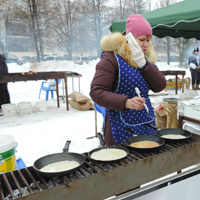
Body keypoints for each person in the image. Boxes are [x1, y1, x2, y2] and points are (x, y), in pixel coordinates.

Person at [90, 14, 166, 146]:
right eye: (142, 40)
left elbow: (160, 85)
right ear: (129, 38)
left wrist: (143, 64)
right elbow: (96, 92)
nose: (146, 44)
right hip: (120, 125)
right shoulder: (112, 58)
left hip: (146, 122)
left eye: (148, 40)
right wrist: (126, 102)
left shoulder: (146, 58)